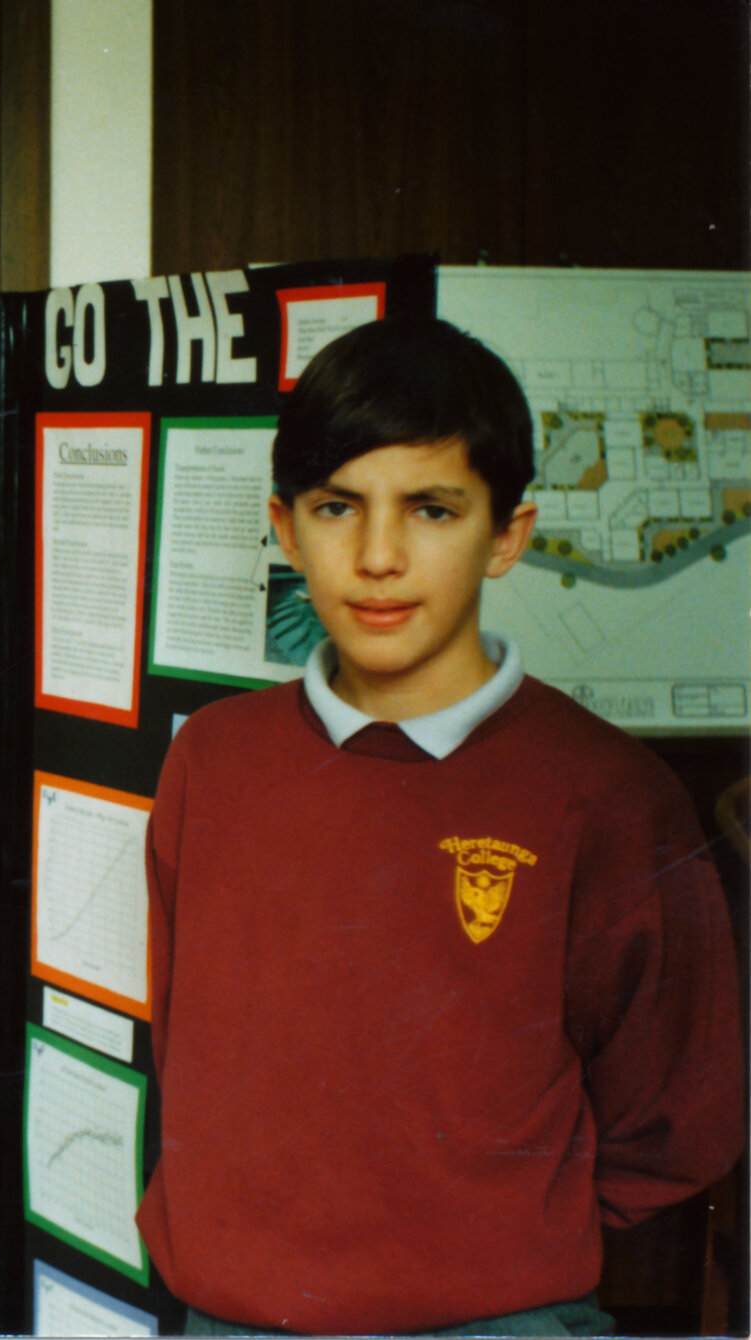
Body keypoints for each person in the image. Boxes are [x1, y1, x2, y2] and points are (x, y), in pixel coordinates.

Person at [136, 316, 745, 1336]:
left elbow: (676, 1113)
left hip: (493, 1320)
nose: (378, 555)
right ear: (285, 529)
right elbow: (183, 1037)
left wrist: (492, 1246)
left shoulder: (606, 790)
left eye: (430, 508)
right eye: (339, 507)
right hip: (233, 1317)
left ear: (506, 534)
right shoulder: (215, 758)